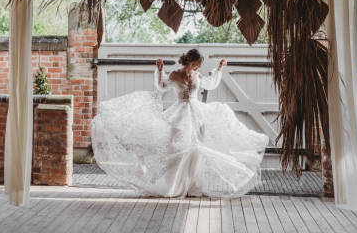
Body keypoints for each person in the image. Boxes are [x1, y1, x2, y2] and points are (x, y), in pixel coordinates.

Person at [91, 48, 268, 198]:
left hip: (196, 112)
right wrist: (159, 70)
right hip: (180, 112)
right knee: (176, 148)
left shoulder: (197, 75)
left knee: (196, 149)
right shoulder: (175, 74)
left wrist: (219, 69)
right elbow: (161, 86)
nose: (199, 66)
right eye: (198, 62)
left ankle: (192, 184)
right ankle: (173, 185)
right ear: (193, 61)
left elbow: (210, 84)